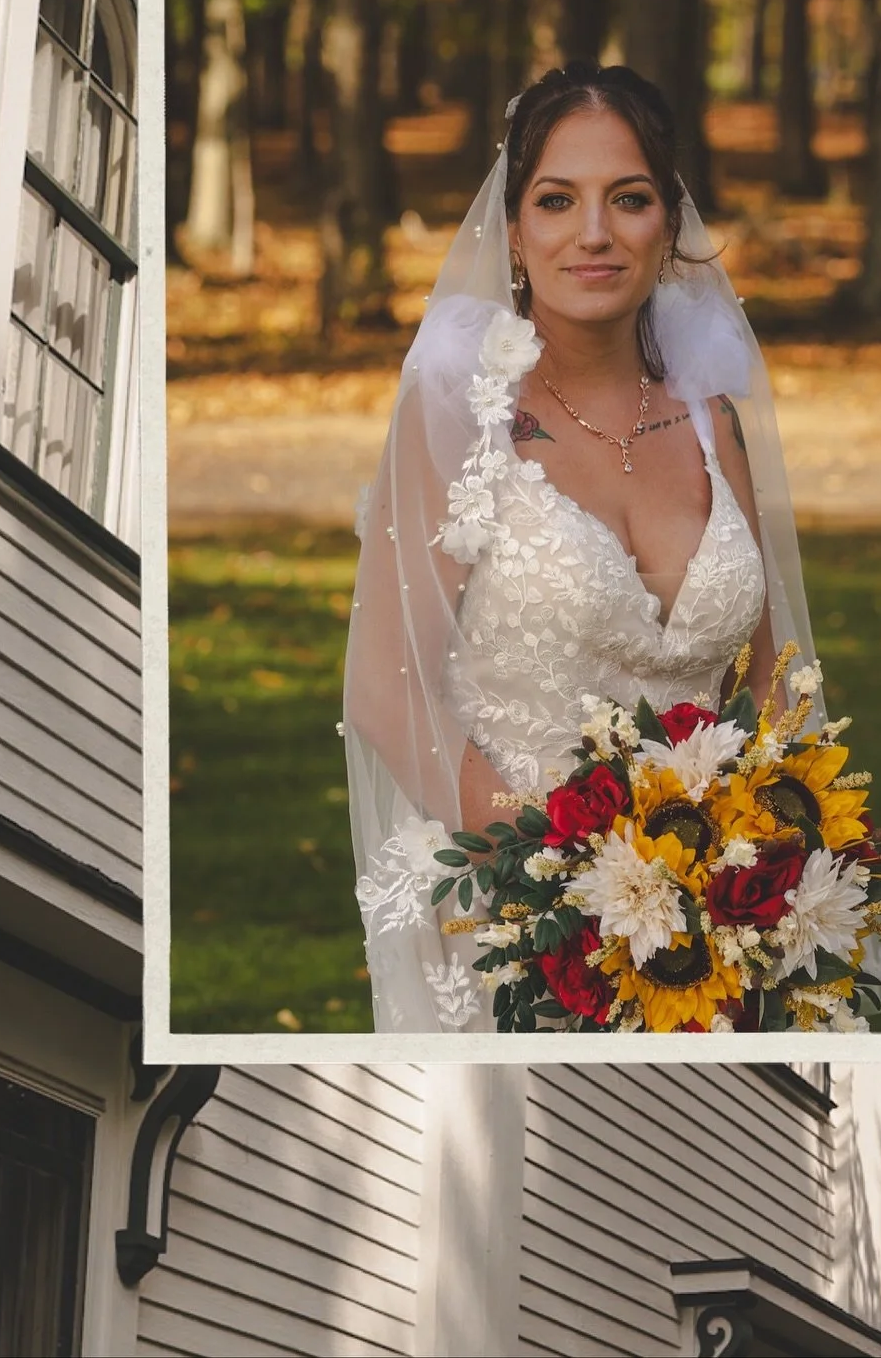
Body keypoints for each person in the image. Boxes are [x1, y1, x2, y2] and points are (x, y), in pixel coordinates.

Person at [342, 60, 826, 1032]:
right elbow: (385, 686)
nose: (594, 233)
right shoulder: (460, 416)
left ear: (670, 226)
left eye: (629, 199)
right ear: (514, 231)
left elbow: (774, 680)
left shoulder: (712, 420)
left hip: (709, 934)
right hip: (519, 931)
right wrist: (559, 874)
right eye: (557, 200)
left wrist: (761, 864)